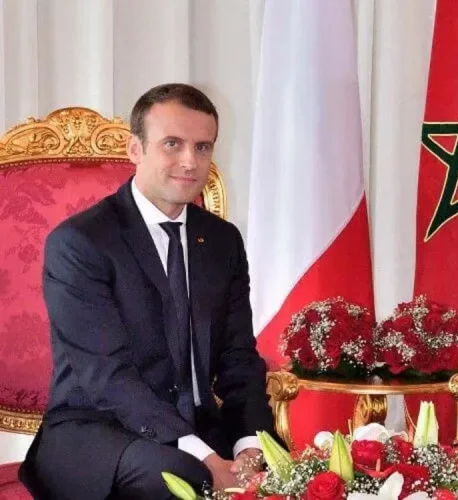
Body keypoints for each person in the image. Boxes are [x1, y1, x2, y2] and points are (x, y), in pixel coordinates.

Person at [18, 83, 279, 499]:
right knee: (178, 475)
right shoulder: (81, 243)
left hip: (198, 426)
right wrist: (207, 460)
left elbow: (238, 357)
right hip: (96, 431)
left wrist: (250, 445)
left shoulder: (222, 241)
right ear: (135, 149)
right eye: (172, 144)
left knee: (284, 465)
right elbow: (107, 377)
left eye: (203, 147)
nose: (190, 161)